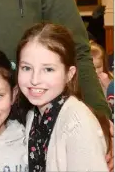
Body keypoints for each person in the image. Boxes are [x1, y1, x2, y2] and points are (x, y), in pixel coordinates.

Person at [17, 22, 110, 172]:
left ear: (69, 74)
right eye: (26, 68)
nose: (34, 79)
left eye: (48, 69)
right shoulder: (33, 115)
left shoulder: (77, 124)